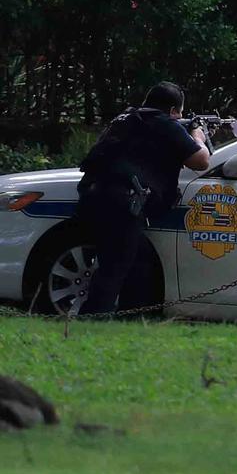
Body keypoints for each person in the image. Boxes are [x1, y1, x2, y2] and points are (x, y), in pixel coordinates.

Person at [75, 83, 210, 316]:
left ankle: (133, 316)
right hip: (122, 203)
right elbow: (201, 161)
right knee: (114, 266)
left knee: (139, 263)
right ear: (172, 110)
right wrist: (197, 133)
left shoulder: (124, 120)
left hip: (93, 196)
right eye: (179, 113)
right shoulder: (165, 124)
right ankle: (91, 319)